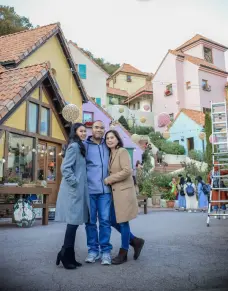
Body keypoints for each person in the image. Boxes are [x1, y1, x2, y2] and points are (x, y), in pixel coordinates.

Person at [104, 130, 145, 265]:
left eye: (112, 137)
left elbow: (127, 171)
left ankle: (124, 252)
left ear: (117, 139)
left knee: (123, 221)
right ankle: (135, 241)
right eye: (107, 138)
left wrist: (110, 179)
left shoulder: (122, 151)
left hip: (124, 192)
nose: (109, 140)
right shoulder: (111, 153)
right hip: (115, 193)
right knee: (111, 220)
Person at [55, 123, 89, 270]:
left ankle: (68, 254)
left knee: (74, 224)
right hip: (73, 191)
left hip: (78, 190)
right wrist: (75, 183)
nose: (84, 133)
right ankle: (65, 254)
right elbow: (65, 168)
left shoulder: (79, 146)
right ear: (75, 132)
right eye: (81, 131)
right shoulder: (74, 146)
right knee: (73, 223)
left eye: (85, 131)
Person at [84, 120, 112, 265]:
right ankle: (93, 250)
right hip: (89, 190)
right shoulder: (85, 146)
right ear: (92, 129)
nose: (99, 130)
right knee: (90, 222)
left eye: (102, 128)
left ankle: (105, 252)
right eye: (96, 127)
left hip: (105, 191)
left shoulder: (108, 145)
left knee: (105, 221)